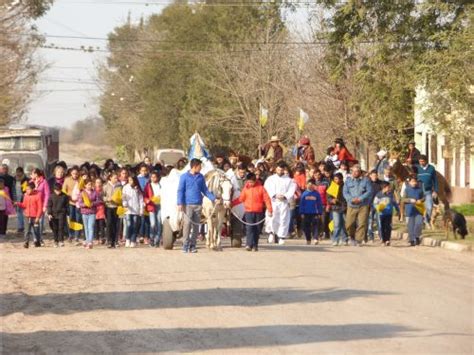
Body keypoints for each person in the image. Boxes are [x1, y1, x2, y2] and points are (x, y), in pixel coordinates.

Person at [177, 158, 216, 253]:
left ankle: (193, 245)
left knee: (196, 226)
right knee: (187, 225)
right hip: (187, 205)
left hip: (198, 205)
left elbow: (205, 190)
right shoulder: (184, 177)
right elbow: (180, 190)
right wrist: (179, 203)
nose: (201, 168)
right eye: (199, 166)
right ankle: (185, 245)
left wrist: (214, 198)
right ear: (194, 167)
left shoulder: (201, 177)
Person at [232, 173, 273, 251]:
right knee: (249, 228)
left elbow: (267, 200)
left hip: (258, 212)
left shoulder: (261, 188)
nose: (250, 184)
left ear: (255, 181)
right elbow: (241, 199)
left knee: (257, 229)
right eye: (248, 182)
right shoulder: (246, 188)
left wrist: (270, 210)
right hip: (248, 212)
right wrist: (232, 204)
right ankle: (249, 244)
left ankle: (255, 245)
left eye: (251, 182)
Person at [264, 161, 297, 245]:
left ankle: (281, 236)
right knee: (271, 218)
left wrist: (285, 196)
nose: (280, 171)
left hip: (283, 202)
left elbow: (292, 190)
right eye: (278, 169)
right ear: (276, 169)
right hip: (273, 201)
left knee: (283, 219)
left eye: (281, 170)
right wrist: (274, 195)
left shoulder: (289, 180)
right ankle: (271, 233)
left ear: (284, 170)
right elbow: (267, 188)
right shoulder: (270, 179)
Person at [343, 164, 372, 246]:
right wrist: (351, 199)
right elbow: (345, 192)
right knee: (349, 224)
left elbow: (369, 191)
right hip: (351, 205)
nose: (355, 173)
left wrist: (360, 198)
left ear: (360, 172)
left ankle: (359, 240)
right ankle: (352, 237)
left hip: (363, 205)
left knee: (362, 223)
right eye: (353, 171)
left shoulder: (366, 180)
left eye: (357, 171)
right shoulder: (348, 181)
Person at [15, 182, 42, 248]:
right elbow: (24, 205)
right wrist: (18, 204)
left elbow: (40, 208)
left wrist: (38, 217)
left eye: (28, 189)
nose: (27, 191)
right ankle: (26, 242)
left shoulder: (37, 196)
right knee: (27, 230)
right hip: (27, 216)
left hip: (35, 217)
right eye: (26, 189)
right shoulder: (25, 196)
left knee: (36, 230)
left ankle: (37, 242)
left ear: (33, 189)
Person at [415, 155, 438, 227]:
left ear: (426, 161)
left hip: (428, 191)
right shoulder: (417, 168)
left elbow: (435, 180)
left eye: (422, 161)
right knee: (419, 207)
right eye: (420, 161)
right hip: (419, 191)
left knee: (429, 207)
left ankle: (426, 221)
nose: (421, 163)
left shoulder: (431, 168)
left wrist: (435, 191)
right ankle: (420, 222)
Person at [78, 179, 101, 249]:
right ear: (85, 185)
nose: (90, 186)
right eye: (88, 184)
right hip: (84, 212)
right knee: (86, 228)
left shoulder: (95, 192)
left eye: (91, 184)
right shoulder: (82, 193)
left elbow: (98, 201)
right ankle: (87, 241)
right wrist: (85, 204)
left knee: (90, 227)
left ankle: (90, 241)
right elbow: (80, 203)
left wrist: (92, 204)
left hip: (92, 212)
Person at [299, 180, 323, 245]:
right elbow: (301, 204)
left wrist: (320, 212)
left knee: (315, 226)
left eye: (312, 185)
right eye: (309, 184)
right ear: (306, 185)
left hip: (314, 212)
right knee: (306, 226)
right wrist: (302, 213)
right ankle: (308, 239)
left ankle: (315, 238)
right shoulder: (304, 194)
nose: (310, 186)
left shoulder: (316, 194)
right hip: (306, 213)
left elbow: (319, 204)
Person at [122, 176, 144, 248]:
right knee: (129, 225)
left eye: (132, 180)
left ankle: (133, 240)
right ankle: (127, 239)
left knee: (135, 225)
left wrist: (141, 209)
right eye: (129, 180)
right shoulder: (125, 187)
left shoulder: (137, 188)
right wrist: (124, 203)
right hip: (128, 209)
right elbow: (123, 197)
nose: (130, 181)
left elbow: (141, 199)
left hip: (136, 209)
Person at [402, 175, 425, 246]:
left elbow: (424, 198)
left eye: (415, 181)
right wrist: (410, 200)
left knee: (419, 223)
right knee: (410, 226)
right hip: (410, 210)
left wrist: (420, 200)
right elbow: (403, 199)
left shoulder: (420, 189)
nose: (414, 183)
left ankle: (417, 236)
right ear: (409, 182)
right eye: (412, 181)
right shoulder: (406, 189)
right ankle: (411, 240)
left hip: (419, 210)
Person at [373, 181, 397, 246]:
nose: (389, 188)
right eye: (388, 187)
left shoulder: (391, 194)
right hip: (381, 214)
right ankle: (383, 240)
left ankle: (387, 240)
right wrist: (378, 207)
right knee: (382, 227)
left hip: (389, 213)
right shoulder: (378, 195)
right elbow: (375, 203)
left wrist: (398, 210)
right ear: (384, 187)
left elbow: (394, 202)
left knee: (388, 227)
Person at [327, 173, 348, 246]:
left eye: (338, 179)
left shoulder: (345, 186)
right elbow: (328, 197)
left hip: (345, 207)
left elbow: (347, 196)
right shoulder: (332, 186)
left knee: (344, 224)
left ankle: (345, 239)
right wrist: (332, 200)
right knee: (337, 224)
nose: (337, 180)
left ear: (341, 179)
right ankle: (335, 239)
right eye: (335, 179)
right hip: (335, 208)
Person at [30, 168, 50, 241]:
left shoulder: (44, 182)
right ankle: (35, 238)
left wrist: (45, 205)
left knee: (40, 222)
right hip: (32, 205)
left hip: (40, 205)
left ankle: (40, 238)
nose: (31, 175)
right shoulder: (30, 182)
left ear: (36, 174)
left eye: (32, 174)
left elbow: (47, 194)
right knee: (32, 222)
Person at [47, 183, 69, 247]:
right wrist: (49, 213)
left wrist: (68, 213)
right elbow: (49, 205)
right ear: (54, 190)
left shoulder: (64, 196)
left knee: (61, 227)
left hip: (62, 213)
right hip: (53, 214)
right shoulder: (51, 196)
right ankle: (55, 241)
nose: (58, 192)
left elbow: (67, 205)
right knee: (54, 228)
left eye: (59, 190)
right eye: (57, 190)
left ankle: (61, 240)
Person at [63, 166, 81, 242]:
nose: (75, 175)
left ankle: (77, 236)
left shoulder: (81, 180)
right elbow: (63, 190)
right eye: (73, 173)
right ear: (71, 173)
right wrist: (69, 196)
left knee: (78, 219)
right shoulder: (67, 180)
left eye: (76, 174)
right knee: (71, 218)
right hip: (70, 202)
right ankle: (71, 235)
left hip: (79, 203)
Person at [144, 171, 162, 248]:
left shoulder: (161, 185)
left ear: (157, 177)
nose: (153, 178)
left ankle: (157, 240)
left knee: (159, 223)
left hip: (160, 205)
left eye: (154, 177)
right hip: (151, 206)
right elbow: (144, 195)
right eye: (151, 177)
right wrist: (147, 200)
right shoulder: (148, 185)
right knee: (153, 223)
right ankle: (151, 239)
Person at [103, 172, 121, 248]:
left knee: (116, 224)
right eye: (115, 178)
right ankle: (109, 240)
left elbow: (121, 195)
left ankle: (115, 241)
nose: (116, 179)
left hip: (117, 207)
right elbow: (102, 196)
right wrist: (108, 199)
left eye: (117, 178)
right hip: (108, 206)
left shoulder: (119, 186)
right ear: (110, 178)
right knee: (109, 224)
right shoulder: (105, 186)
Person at [367, 170, 382, 243]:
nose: (374, 177)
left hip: (379, 205)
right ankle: (370, 236)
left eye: (376, 175)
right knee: (370, 221)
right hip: (370, 204)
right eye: (373, 175)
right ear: (370, 176)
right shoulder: (367, 183)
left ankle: (381, 236)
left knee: (379, 221)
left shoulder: (380, 183)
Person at [13, 167, 28, 233]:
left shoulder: (25, 179)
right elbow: (13, 189)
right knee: (19, 213)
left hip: (24, 198)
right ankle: (20, 227)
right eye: (17, 172)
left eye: (19, 172)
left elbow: (26, 190)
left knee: (25, 213)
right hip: (17, 198)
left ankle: (26, 227)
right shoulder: (14, 179)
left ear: (22, 172)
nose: (18, 173)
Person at [94, 178, 106, 245]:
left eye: (99, 182)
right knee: (96, 225)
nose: (98, 184)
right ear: (95, 183)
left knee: (101, 224)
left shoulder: (103, 191)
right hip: (94, 209)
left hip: (101, 209)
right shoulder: (93, 190)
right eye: (97, 182)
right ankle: (96, 238)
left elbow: (104, 198)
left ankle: (102, 237)